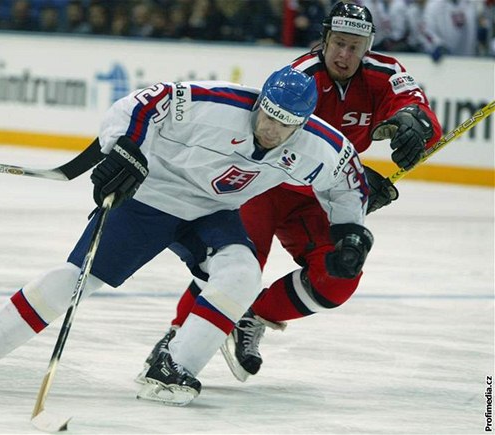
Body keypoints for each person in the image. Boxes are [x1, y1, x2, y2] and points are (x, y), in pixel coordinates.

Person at [0, 65, 372, 406]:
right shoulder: (214, 103)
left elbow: (346, 182)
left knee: (242, 273)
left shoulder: (320, 145)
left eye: (285, 125)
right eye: (268, 116)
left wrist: (351, 232)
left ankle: (170, 366)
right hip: (151, 196)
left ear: (302, 123)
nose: (272, 131)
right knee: (79, 278)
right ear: (259, 101)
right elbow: (142, 104)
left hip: (213, 210)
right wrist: (128, 147)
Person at [138, 1, 442, 384]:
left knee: (340, 275)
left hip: (320, 197)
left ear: (368, 47)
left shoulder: (386, 73)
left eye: (355, 46)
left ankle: (252, 315)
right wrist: (354, 180)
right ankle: (177, 337)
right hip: (265, 186)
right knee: (233, 265)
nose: (345, 55)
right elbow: (274, 149)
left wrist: (416, 123)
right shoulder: (299, 78)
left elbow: (419, 108)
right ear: (324, 40)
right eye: (338, 44)